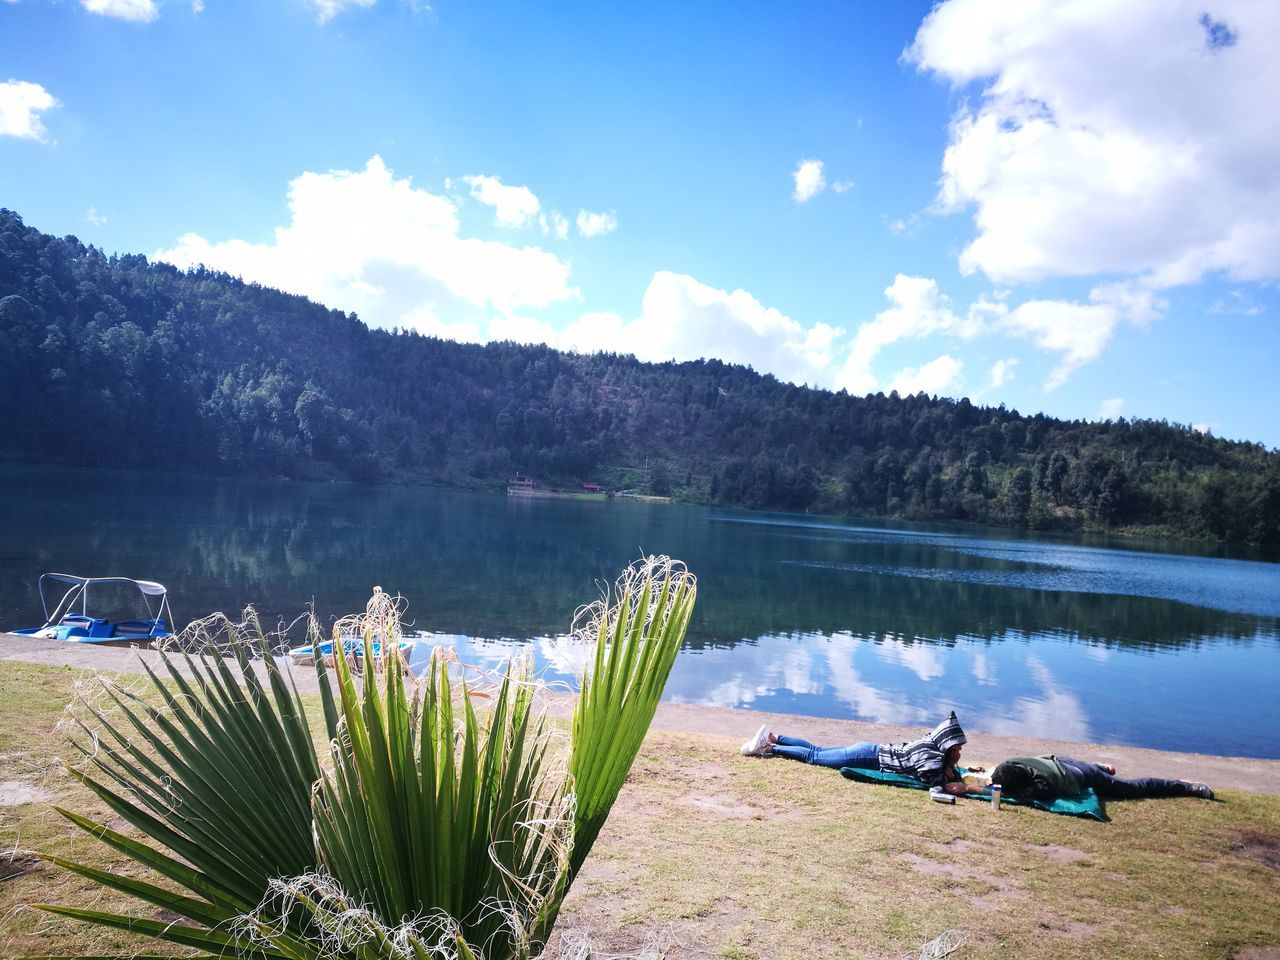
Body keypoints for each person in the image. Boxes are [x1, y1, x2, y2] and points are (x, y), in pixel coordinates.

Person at [740, 711, 975, 790]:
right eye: (957, 747)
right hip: (868, 757)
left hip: (868, 749)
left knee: (817, 750)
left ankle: (772, 735)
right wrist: (950, 768)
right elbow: (931, 781)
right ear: (948, 745)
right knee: (814, 757)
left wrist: (949, 765)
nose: (959, 751)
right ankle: (771, 746)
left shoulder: (930, 744)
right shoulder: (931, 756)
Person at [990, 755, 1214, 801]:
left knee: (1129, 789)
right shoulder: (1011, 763)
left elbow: (1018, 795)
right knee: (1090, 769)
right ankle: (1100, 766)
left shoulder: (1042, 785)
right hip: (1062, 760)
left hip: (1081, 774)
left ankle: (1185, 787)